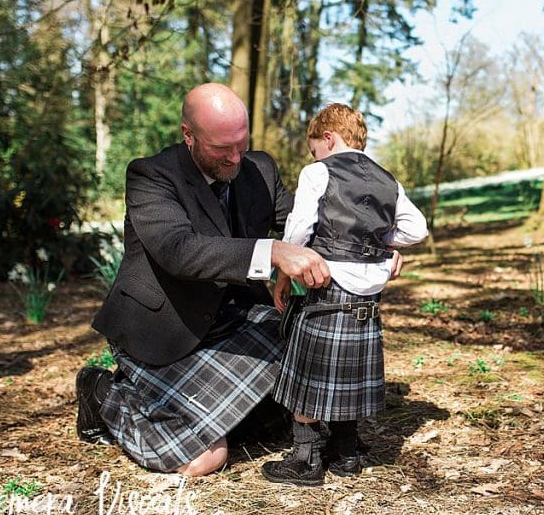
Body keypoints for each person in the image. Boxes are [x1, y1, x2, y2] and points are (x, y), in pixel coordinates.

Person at [76, 83, 335, 477]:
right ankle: (103, 395)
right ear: (188, 135)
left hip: (238, 322)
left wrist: (373, 245)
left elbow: (307, 228)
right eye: (220, 149)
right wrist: (271, 252)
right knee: (204, 461)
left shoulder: (261, 169)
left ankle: (243, 414)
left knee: (312, 358)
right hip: (165, 334)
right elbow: (180, 250)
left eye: (241, 143)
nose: (235, 158)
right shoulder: (151, 176)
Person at [261, 103, 427, 486]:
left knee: (310, 372)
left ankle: (305, 460)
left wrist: (284, 272)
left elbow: (299, 228)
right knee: (348, 373)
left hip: (328, 283)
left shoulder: (319, 171)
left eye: (314, 148)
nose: (314, 156)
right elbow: (416, 229)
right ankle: (347, 452)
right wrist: (381, 244)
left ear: (329, 138)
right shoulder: (387, 179)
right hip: (368, 292)